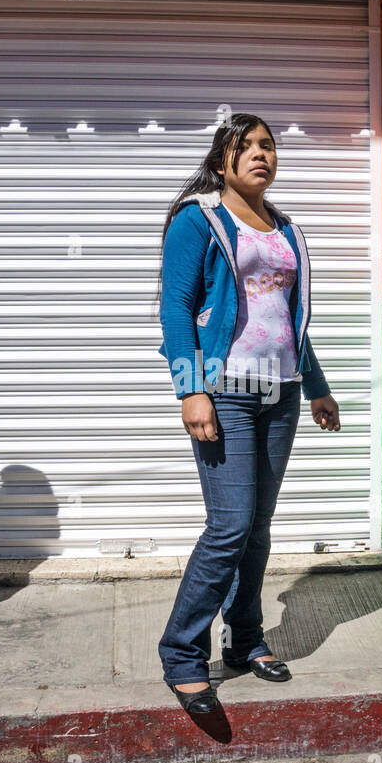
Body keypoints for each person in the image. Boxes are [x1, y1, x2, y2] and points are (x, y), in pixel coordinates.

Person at [156, 113, 341, 714]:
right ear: (221, 163)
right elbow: (177, 309)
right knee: (229, 526)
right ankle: (182, 652)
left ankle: (244, 640)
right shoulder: (199, 220)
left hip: (279, 392)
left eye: (268, 145)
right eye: (247, 146)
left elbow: (291, 320)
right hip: (225, 390)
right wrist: (191, 389)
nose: (261, 154)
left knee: (257, 528)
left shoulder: (286, 228)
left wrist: (315, 386)